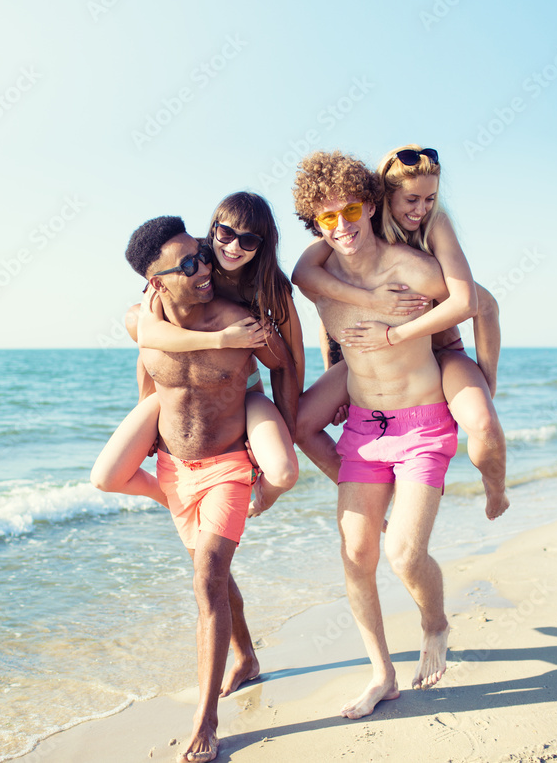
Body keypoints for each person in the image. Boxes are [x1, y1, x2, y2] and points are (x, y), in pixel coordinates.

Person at [111, 215, 298, 763]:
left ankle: (205, 720)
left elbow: (283, 365)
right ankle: (246, 657)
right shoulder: (142, 319)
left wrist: (271, 345)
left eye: (201, 254)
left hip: (229, 464)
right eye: (188, 263)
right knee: (211, 575)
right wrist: (148, 435)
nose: (204, 266)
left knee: (207, 578)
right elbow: (148, 360)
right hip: (175, 470)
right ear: (156, 282)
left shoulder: (239, 316)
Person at [291, 149, 455, 719]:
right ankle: (381, 673)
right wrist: (336, 372)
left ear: (369, 203)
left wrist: (483, 385)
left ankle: (435, 624)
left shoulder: (413, 269)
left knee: (405, 554)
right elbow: (313, 301)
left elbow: (476, 303)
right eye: (328, 218)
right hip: (363, 428)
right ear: (316, 224)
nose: (343, 226)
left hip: (422, 426)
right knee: (358, 552)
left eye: (351, 210)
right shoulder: (319, 280)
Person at [292, 144, 508, 521]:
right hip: (375, 353)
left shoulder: (434, 226)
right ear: (384, 198)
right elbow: (317, 293)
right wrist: (367, 307)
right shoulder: (349, 229)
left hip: (440, 347)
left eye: (429, 198)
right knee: (301, 424)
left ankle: (496, 492)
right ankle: (368, 505)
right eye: (411, 199)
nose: (420, 209)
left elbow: (479, 305)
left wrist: (487, 381)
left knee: (484, 423)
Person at [92, 192, 302, 517]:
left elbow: (290, 361)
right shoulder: (190, 259)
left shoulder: (269, 284)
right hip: (212, 356)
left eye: (248, 241)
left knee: (281, 467)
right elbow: (149, 342)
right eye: (227, 234)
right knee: (104, 476)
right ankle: (170, 496)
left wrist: (288, 432)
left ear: (262, 244)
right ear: (214, 229)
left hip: (243, 376)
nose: (233, 247)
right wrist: (222, 340)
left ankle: (260, 492)